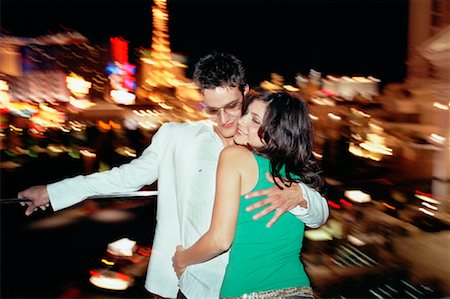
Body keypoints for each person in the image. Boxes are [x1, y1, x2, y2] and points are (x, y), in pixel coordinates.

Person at [18, 52, 329, 299]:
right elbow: (127, 177)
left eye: (233, 107)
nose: (224, 120)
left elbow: (317, 211)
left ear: (246, 93)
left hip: (245, 282)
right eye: (212, 109)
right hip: (187, 280)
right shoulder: (176, 137)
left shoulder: (265, 147)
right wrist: (54, 191)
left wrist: (301, 196)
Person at [172, 90, 324, 298]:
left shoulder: (235, 157)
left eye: (254, 120)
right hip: (300, 291)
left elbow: (219, 240)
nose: (241, 122)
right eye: (246, 114)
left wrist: (182, 259)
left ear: (276, 134)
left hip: (248, 291)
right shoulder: (293, 174)